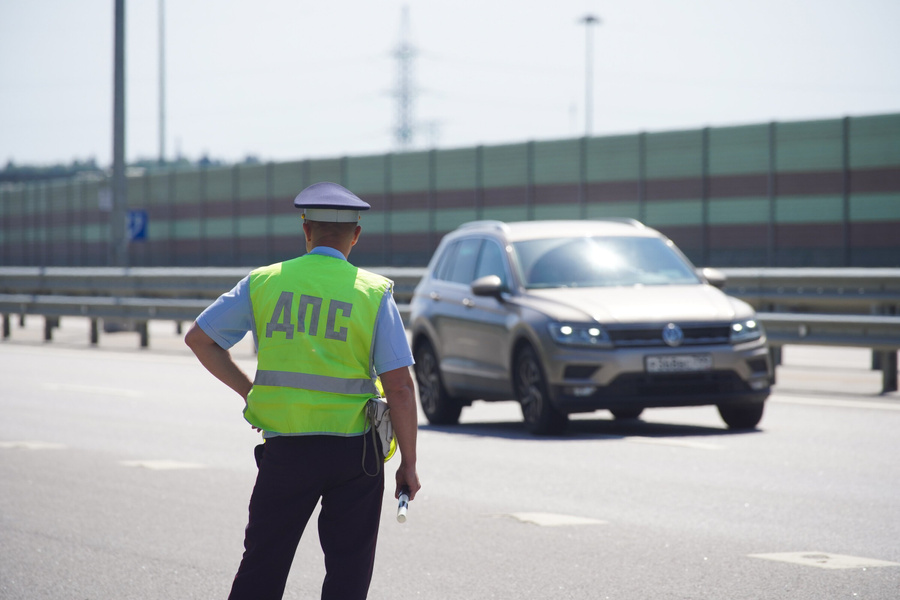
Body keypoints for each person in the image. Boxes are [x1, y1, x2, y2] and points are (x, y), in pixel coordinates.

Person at [184, 181, 420, 600]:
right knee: (348, 573)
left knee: (262, 567)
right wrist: (409, 464)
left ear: (306, 231)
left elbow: (201, 339)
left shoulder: (264, 282)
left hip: (286, 453)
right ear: (356, 235)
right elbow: (400, 387)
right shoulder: (373, 292)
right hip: (355, 456)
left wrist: (250, 392)